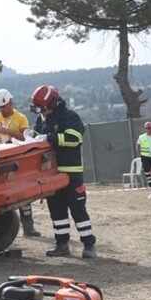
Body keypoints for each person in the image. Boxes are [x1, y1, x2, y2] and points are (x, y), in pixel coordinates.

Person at [30, 85, 97, 259]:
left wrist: (50, 138)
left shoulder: (70, 117)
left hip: (70, 173)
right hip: (51, 174)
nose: (41, 113)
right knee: (56, 210)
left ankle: (89, 245)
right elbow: (37, 136)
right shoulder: (42, 119)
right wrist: (30, 136)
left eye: (42, 109)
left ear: (52, 104)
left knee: (78, 210)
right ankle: (61, 244)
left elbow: (74, 139)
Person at [0, 88, 40, 237]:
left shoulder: (21, 118)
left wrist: (8, 131)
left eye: (4, 106)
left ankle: (28, 227)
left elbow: (25, 138)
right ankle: (2, 229)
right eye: (0, 107)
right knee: (3, 195)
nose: (2, 110)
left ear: (10, 103)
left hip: (17, 159)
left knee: (23, 194)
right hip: (1, 160)